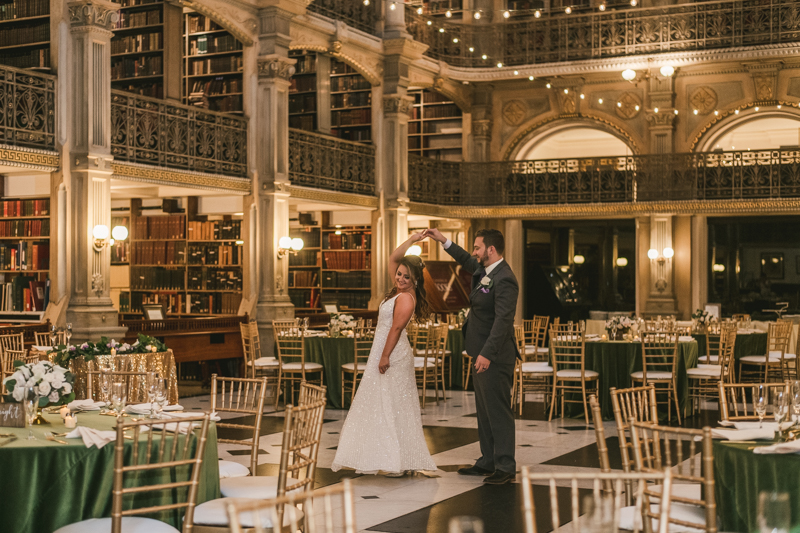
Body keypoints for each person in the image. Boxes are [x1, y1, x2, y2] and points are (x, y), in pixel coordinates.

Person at [331, 233, 437, 476]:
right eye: (399, 274)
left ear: (415, 280)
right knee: (380, 403)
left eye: (405, 276)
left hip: (393, 354)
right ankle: (385, 457)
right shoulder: (397, 290)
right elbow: (393, 258)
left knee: (394, 405)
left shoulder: (406, 299)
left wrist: (385, 356)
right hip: (382, 350)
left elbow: (396, 329)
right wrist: (411, 240)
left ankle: (397, 460)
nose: (399, 278)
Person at [424, 228, 519, 485]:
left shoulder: (505, 278)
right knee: (484, 411)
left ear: (491, 250)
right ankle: (488, 460)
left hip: (495, 356)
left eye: (478, 248)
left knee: (498, 411)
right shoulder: (485, 271)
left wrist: (487, 354)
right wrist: (443, 240)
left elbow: (502, 322)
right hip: (480, 353)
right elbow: (466, 259)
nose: (474, 252)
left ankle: (505, 466)